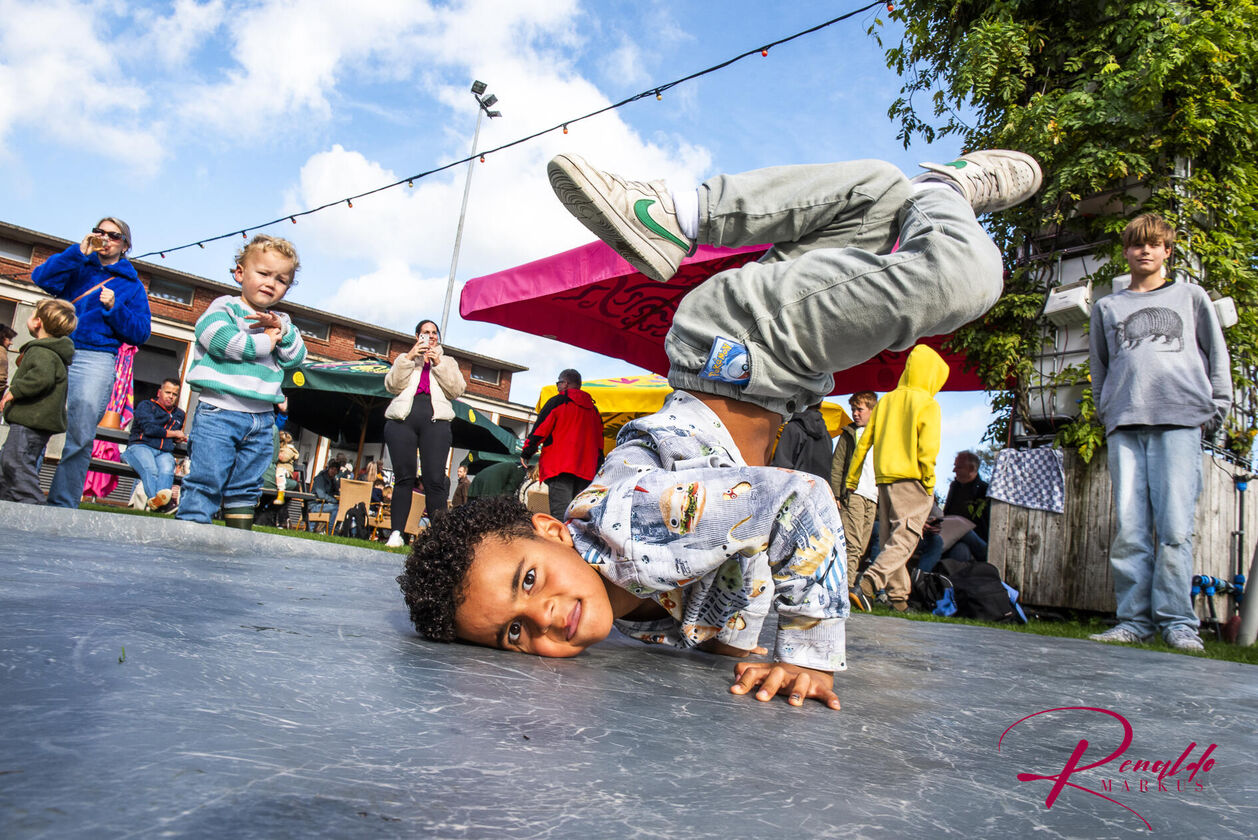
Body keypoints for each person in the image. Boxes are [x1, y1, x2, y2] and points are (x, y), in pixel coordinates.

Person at [398, 148, 1042, 710]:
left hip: (741, 347)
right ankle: (683, 214)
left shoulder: (629, 530)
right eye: (515, 634)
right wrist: (736, 644)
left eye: (529, 581)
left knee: (965, 276)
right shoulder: (641, 616)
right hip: (761, 367)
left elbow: (797, 499)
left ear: (549, 528)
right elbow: (737, 573)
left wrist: (807, 653)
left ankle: (941, 193)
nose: (543, 621)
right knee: (874, 198)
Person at [1087, 213, 1231, 652]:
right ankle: (1133, 620)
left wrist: (1218, 406)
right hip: (1126, 422)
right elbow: (1100, 367)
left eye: (1153, 245)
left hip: (1181, 418)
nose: (1144, 251)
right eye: (1136, 245)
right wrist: (1107, 407)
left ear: (1167, 251)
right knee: (1130, 528)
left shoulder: (1191, 296)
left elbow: (1215, 352)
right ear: (1126, 252)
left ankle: (1177, 623)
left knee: (1174, 527)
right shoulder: (1107, 307)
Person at [176, 235, 307, 529]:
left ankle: (234, 543)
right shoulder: (224, 307)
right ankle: (188, 536)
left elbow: (296, 357)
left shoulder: (281, 321)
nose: (271, 283)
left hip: (261, 419)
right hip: (218, 413)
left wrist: (282, 332)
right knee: (206, 479)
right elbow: (217, 340)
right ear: (240, 273)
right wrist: (263, 343)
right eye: (263, 273)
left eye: (281, 279)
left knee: (246, 487)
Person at [32, 218, 152, 509]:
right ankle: (17, 491)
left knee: (81, 432)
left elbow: (140, 332)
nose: (105, 238)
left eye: (114, 235)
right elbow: (41, 278)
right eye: (100, 232)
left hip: (95, 358)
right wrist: (76, 252)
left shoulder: (132, 286)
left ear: (125, 245)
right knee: (34, 423)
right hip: (56, 349)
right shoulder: (77, 263)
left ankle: (62, 503)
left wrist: (114, 309)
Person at [848, 345, 948, 611]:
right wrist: (928, 480)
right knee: (906, 539)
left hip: (885, 481)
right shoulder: (928, 403)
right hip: (913, 479)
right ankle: (868, 583)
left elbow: (864, 443)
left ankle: (899, 600)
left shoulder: (887, 401)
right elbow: (928, 448)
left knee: (893, 539)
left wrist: (852, 478)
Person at [382, 320, 467, 548]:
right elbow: (391, 385)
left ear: (437, 337)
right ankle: (397, 533)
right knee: (404, 478)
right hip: (402, 421)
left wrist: (438, 362)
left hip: (436, 422)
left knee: (435, 479)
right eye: (425, 333)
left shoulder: (448, 362)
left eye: (433, 333)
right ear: (417, 336)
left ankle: (440, 537)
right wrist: (410, 357)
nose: (429, 336)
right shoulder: (405, 358)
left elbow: (457, 389)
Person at [0, 299, 77, 504]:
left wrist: (14, 391)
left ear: (38, 322)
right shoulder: (53, 351)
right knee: (7, 466)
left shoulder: (42, 351)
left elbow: (41, 378)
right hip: (34, 421)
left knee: (15, 463)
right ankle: (7, 508)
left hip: (30, 420)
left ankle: (32, 505)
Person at [521, 368, 605, 520]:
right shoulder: (594, 411)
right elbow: (600, 445)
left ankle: (563, 543)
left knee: (561, 516)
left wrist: (527, 451)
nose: (557, 386)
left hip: (560, 466)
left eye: (558, 383)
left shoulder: (558, 401)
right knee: (578, 517)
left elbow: (540, 429)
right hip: (587, 471)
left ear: (565, 383)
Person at [829, 391, 879, 610]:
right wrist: (836, 494)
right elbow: (837, 464)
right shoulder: (849, 433)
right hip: (853, 492)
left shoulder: (882, 435)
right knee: (852, 542)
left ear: (872, 410)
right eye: (853, 410)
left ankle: (847, 587)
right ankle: (847, 588)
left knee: (862, 545)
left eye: (860, 409)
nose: (855, 414)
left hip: (873, 496)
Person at [121, 377, 186, 512]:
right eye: (168, 392)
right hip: (140, 446)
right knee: (151, 470)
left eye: (174, 394)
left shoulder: (179, 414)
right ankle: (163, 506)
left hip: (164, 451)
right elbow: (150, 429)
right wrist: (174, 434)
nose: (171, 397)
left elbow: (171, 434)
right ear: (159, 392)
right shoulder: (146, 406)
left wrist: (178, 438)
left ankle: (157, 505)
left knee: (167, 470)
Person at [941, 450, 989, 562]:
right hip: (955, 540)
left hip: (979, 543)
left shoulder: (985, 490)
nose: (954, 470)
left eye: (959, 467)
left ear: (971, 469)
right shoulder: (954, 487)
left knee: (964, 532)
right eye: (955, 466)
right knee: (961, 550)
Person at [770, 402, 832, 479]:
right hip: (819, 488)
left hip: (794, 487)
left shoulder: (792, 428)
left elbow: (781, 469)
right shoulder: (826, 434)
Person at [308, 461, 341, 531]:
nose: (333, 471)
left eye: (335, 470)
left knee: (341, 508)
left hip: (323, 504)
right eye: (332, 469)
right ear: (328, 468)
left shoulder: (333, 480)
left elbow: (336, 493)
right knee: (337, 508)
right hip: (314, 505)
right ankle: (330, 531)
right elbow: (321, 495)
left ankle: (333, 531)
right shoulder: (320, 478)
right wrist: (334, 500)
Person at [273, 430, 299, 505]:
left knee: (279, 473)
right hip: (278, 467)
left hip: (285, 470)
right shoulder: (282, 449)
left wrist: (275, 452)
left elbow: (283, 458)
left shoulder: (289, 450)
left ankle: (281, 493)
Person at [0, 324, 17, 395]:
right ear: (2, 338)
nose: (11, 343)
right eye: (9, 339)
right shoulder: (1, 353)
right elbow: (1, 379)